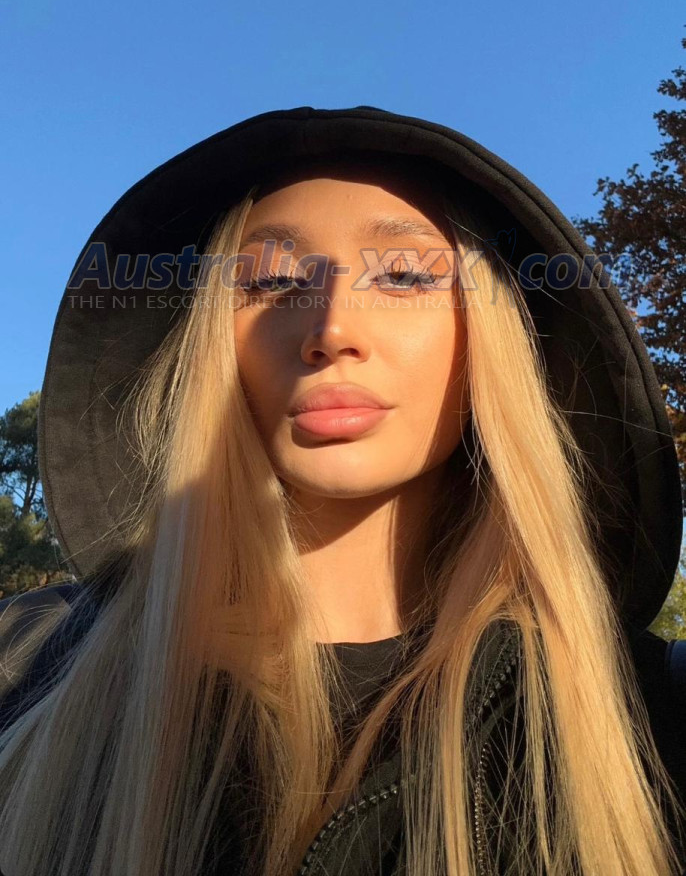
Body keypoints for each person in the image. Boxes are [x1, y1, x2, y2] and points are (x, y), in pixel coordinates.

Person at [0, 103, 684, 876]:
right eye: (272, 280)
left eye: (404, 276)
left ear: (493, 342)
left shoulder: (655, 714)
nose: (331, 329)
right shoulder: (29, 663)